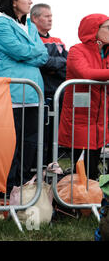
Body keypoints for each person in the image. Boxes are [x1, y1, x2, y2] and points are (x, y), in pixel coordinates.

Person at [0, 0, 48, 194]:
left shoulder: (31, 26)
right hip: (13, 94)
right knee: (10, 144)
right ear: (13, 2)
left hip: (34, 93)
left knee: (30, 143)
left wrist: (31, 53)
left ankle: (23, 186)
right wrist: (32, 53)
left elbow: (43, 54)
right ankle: (6, 188)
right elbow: (19, 51)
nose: (30, 1)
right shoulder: (2, 24)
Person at [59, 14, 109, 181]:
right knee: (82, 168)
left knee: (93, 165)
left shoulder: (106, 52)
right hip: (80, 116)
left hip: (99, 117)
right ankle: (78, 204)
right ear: (95, 30)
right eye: (107, 27)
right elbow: (85, 73)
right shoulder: (77, 50)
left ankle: (91, 201)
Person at [30, 3, 68, 165]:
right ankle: (34, 175)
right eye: (46, 16)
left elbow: (68, 63)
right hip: (41, 96)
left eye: (51, 16)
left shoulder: (58, 41)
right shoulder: (32, 39)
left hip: (58, 97)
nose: (50, 19)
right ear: (35, 18)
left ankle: (49, 174)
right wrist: (58, 64)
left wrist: (57, 65)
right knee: (39, 139)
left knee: (53, 139)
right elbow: (44, 64)